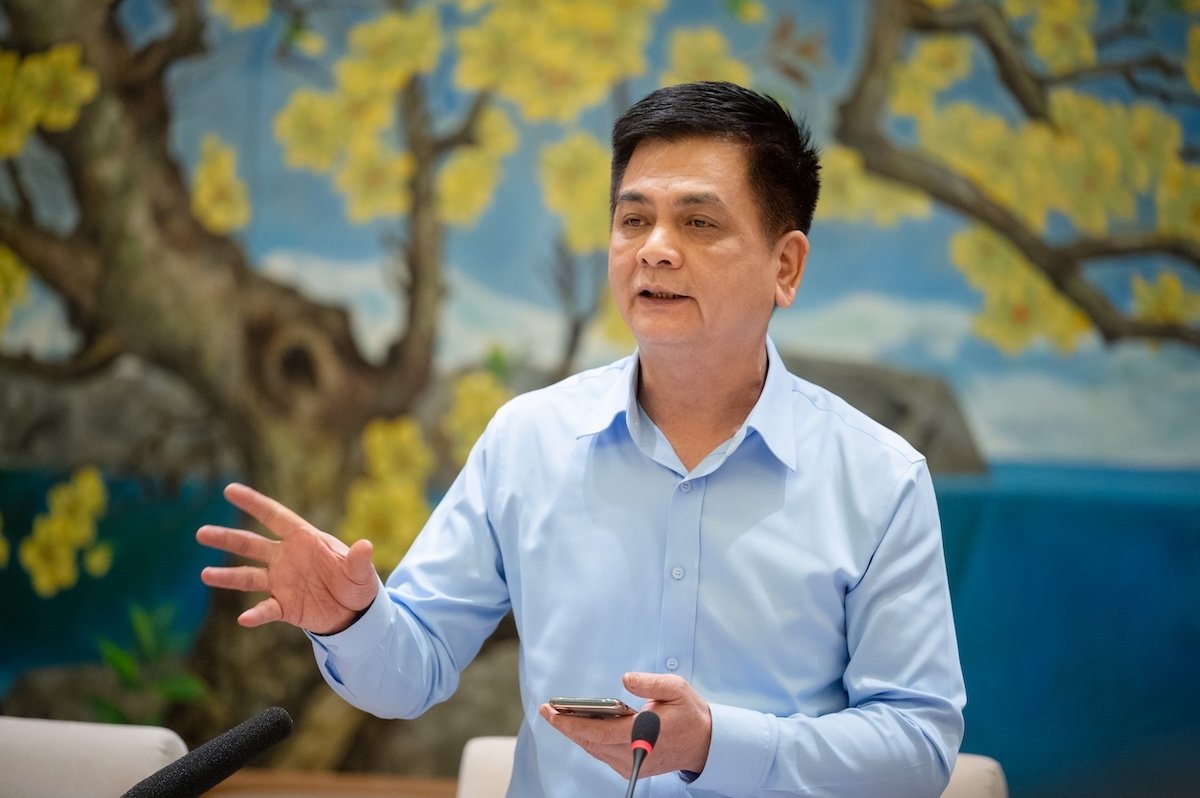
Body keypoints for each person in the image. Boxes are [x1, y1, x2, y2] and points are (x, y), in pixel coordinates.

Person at [198, 81, 965, 797]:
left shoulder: (879, 479)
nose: (655, 248)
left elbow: (918, 747)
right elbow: (411, 672)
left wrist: (715, 745)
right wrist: (352, 620)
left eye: (698, 222)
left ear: (785, 266)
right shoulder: (528, 441)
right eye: (633, 219)